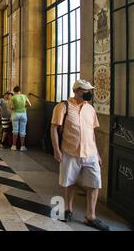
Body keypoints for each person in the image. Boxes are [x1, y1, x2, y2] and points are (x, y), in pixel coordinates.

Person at [50, 80, 110, 231]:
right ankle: (68, 210)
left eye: (89, 90)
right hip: (70, 151)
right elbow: (54, 128)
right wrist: (56, 149)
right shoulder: (63, 106)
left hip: (90, 153)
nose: (89, 92)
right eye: (85, 90)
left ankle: (91, 216)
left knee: (94, 183)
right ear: (76, 90)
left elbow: (92, 133)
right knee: (70, 182)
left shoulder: (90, 109)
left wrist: (97, 153)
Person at [9, 86, 31, 151]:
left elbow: (9, 106)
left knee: (15, 130)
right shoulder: (24, 96)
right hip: (23, 114)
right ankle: (22, 146)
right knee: (23, 131)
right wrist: (24, 107)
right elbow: (30, 105)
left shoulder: (13, 97)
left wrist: (13, 108)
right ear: (20, 90)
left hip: (15, 114)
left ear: (14, 91)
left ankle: (14, 146)